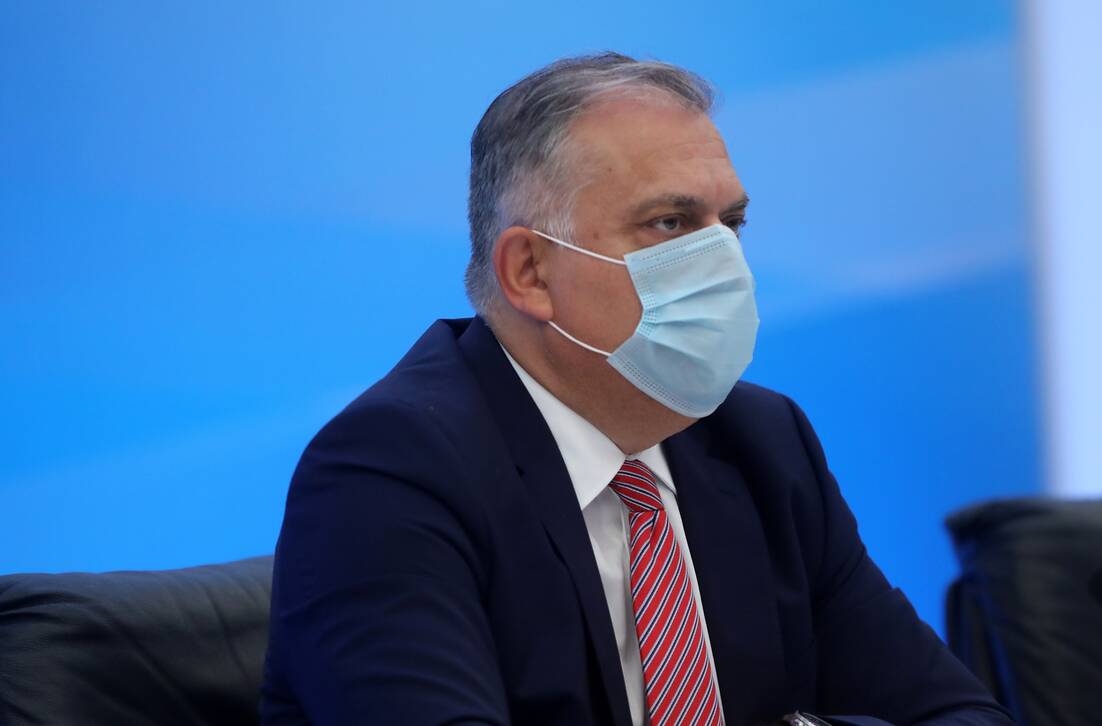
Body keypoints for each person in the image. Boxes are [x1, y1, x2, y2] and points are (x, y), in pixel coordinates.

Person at [259, 52, 1014, 726]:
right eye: (670, 223)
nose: (722, 261)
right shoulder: (390, 469)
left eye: (731, 223)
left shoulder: (763, 442)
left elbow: (956, 712)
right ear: (530, 271)